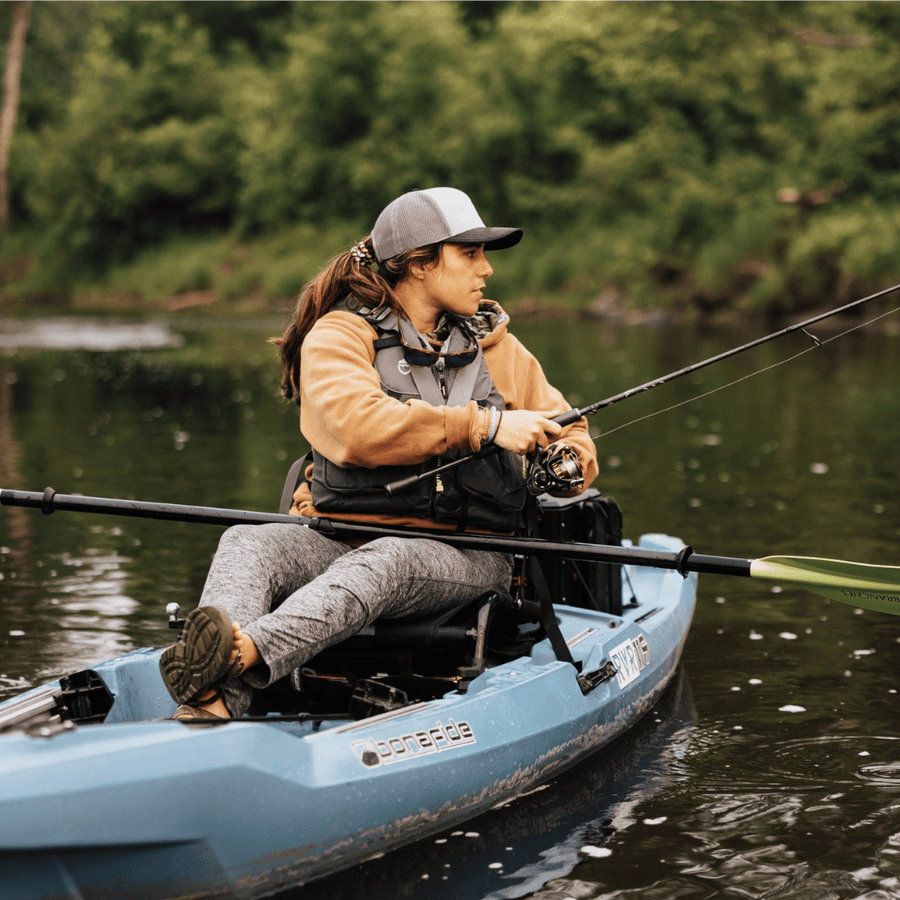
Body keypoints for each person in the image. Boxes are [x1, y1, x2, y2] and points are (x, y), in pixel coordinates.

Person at [159, 187, 599, 719]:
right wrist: (486, 426)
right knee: (246, 543)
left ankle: (240, 653)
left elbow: (575, 439)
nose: (486, 271)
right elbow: (357, 428)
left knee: (389, 559)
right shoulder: (340, 336)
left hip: (469, 557)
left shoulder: (499, 350)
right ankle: (211, 705)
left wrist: (565, 465)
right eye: (470, 253)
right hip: (338, 538)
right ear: (417, 264)